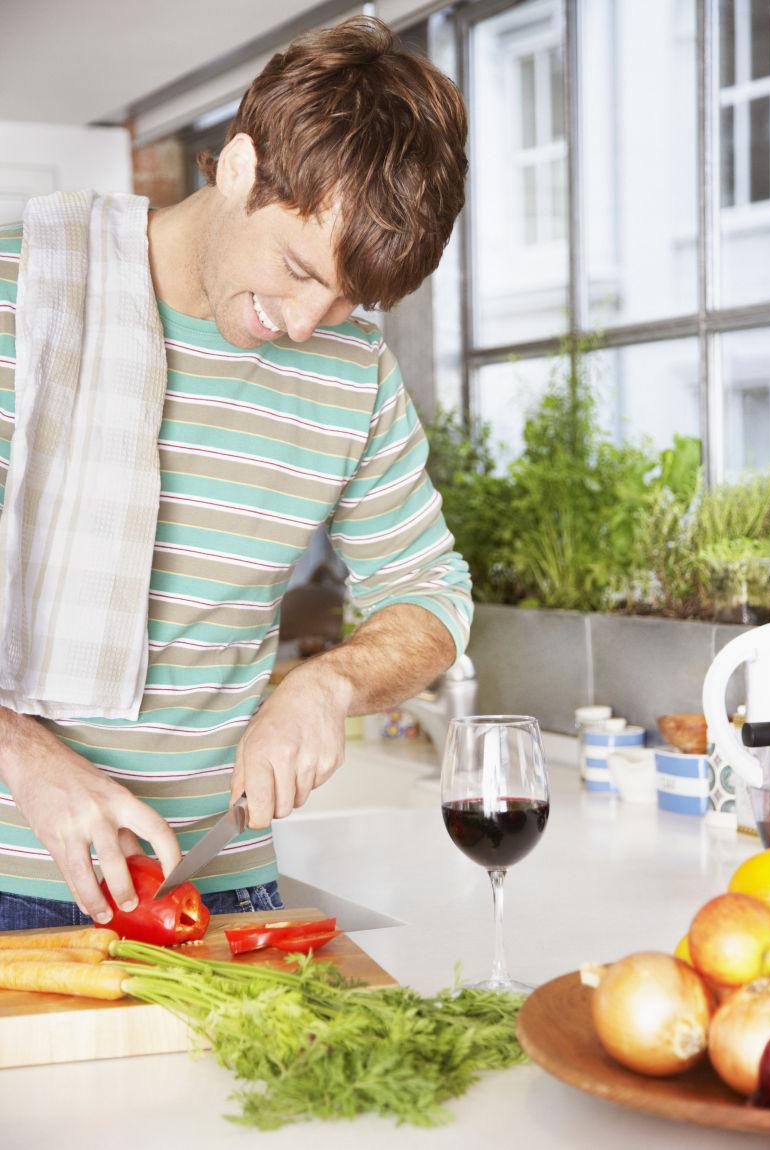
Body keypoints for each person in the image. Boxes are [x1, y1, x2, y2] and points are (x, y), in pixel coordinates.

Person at [0, 16, 472, 930]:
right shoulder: (21, 297)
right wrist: (24, 755)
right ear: (242, 167)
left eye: (346, 297)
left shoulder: (353, 367)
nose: (305, 322)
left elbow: (432, 593)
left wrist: (327, 685)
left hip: (218, 887)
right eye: (297, 268)